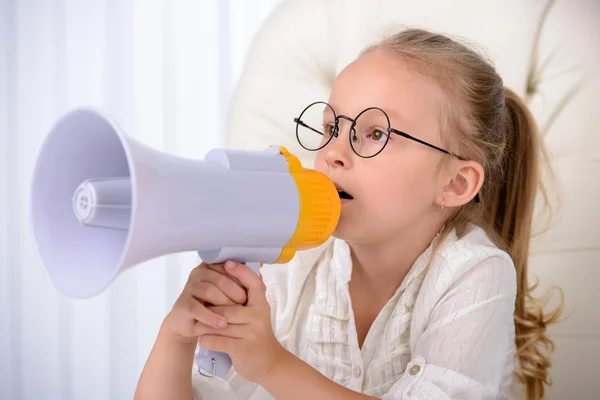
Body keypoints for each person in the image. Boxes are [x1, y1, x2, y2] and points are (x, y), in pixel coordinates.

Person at [134, 28, 563, 400]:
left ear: (455, 184)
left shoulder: (476, 274)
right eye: (331, 127)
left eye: (376, 133)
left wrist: (271, 365)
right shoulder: (293, 256)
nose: (333, 153)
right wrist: (178, 336)